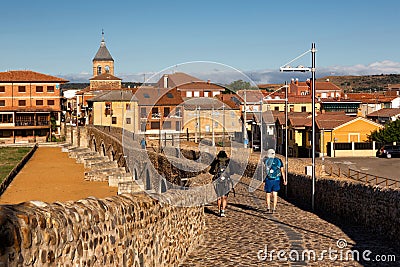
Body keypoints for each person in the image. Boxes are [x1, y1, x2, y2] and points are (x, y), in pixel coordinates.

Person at [263, 149, 286, 213]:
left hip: (268, 179)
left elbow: (264, 169)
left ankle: (268, 208)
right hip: (277, 179)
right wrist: (284, 180)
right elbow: (282, 171)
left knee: (268, 194)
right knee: (275, 194)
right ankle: (274, 209)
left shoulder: (266, 160)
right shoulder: (279, 161)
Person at [210, 150, 232, 217]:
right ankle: (223, 211)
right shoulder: (228, 162)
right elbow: (232, 171)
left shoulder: (216, 162)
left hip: (218, 181)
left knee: (219, 197)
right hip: (226, 181)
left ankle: (219, 210)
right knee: (224, 197)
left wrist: (215, 174)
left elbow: (211, 171)